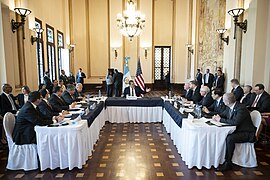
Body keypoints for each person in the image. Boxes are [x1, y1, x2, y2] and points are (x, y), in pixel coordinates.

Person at [212, 93, 256, 171]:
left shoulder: (241, 108)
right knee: (223, 135)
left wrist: (220, 120)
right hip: (238, 130)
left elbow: (235, 122)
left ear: (228, 102)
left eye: (224, 100)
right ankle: (219, 158)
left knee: (230, 138)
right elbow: (223, 114)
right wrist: (216, 116)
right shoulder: (230, 107)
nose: (223, 101)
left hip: (247, 133)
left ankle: (228, 163)